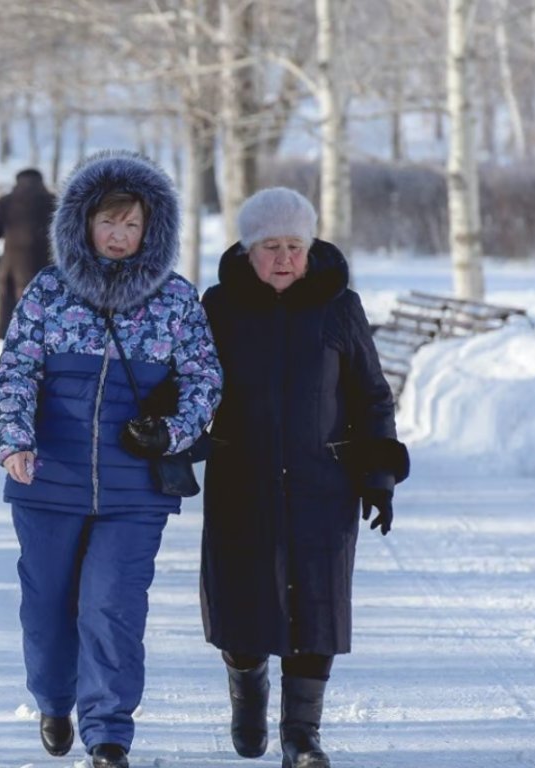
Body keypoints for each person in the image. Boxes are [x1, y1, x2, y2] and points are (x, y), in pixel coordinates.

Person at [0, 151, 222, 768]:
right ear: (82, 224)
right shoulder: (48, 290)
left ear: (152, 231)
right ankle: (53, 698)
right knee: (46, 611)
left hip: (135, 491)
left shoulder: (175, 300)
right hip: (48, 481)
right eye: (108, 223)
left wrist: (172, 431)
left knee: (112, 609)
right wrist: (14, 439)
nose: (119, 237)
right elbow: (16, 369)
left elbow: (205, 379)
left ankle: (109, 732)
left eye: (132, 225)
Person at [198, 187, 409, 768]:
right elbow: (190, 388)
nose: (286, 257)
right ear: (248, 251)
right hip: (242, 479)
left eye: (296, 245)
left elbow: (372, 396)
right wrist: (169, 441)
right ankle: (247, 696)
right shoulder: (219, 306)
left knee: (316, 609)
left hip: (325, 483)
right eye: (272, 246)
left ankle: (302, 737)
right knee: (242, 607)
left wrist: (379, 475)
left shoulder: (340, 307)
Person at [0, 167, 57, 339]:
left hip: (10, 269)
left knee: (11, 322)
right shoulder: (53, 203)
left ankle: (10, 351)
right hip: (43, 267)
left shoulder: (5, 203)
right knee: (37, 317)